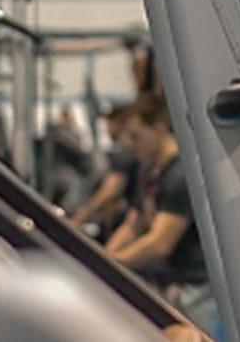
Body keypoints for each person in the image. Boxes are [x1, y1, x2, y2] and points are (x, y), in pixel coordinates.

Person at [106, 93, 217, 335]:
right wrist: (103, 258)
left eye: (136, 137)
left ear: (159, 128)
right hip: (169, 281)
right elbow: (133, 224)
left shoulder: (180, 175)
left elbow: (160, 243)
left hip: (195, 286)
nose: (129, 144)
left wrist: (113, 264)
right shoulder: (148, 171)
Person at [71, 104, 139, 241]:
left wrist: (77, 220)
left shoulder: (125, 152)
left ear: (120, 123)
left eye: (109, 123)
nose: (106, 128)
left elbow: (110, 190)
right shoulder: (123, 152)